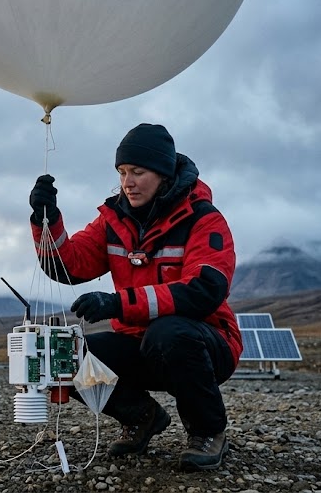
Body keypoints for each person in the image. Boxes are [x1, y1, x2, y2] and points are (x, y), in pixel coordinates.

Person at [28, 122, 242, 471]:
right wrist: (45, 221)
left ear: (163, 174)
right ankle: (141, 417)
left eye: (138, 172)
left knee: (168, 333)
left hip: (204, 344)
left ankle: (208, 432)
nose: (127, 182)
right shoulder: (114, 219)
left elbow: (204, 291)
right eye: (122, 171)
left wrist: (117, 304)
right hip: (141, 344)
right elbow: (68, 265)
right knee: (63, 354)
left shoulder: (204, 220)